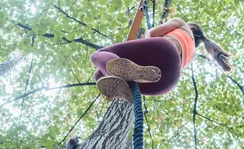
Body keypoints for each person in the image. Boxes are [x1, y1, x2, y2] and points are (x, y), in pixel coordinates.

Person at [91, 17, 232, 102]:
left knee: (99, 55)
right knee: (99, 75)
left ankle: (130, 76)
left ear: (191, 27)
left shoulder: (182, 24)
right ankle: (127, 88)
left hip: (164, 49)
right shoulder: (192, 54)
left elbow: (152, 33)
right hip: (166, 81)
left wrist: (142, 47)